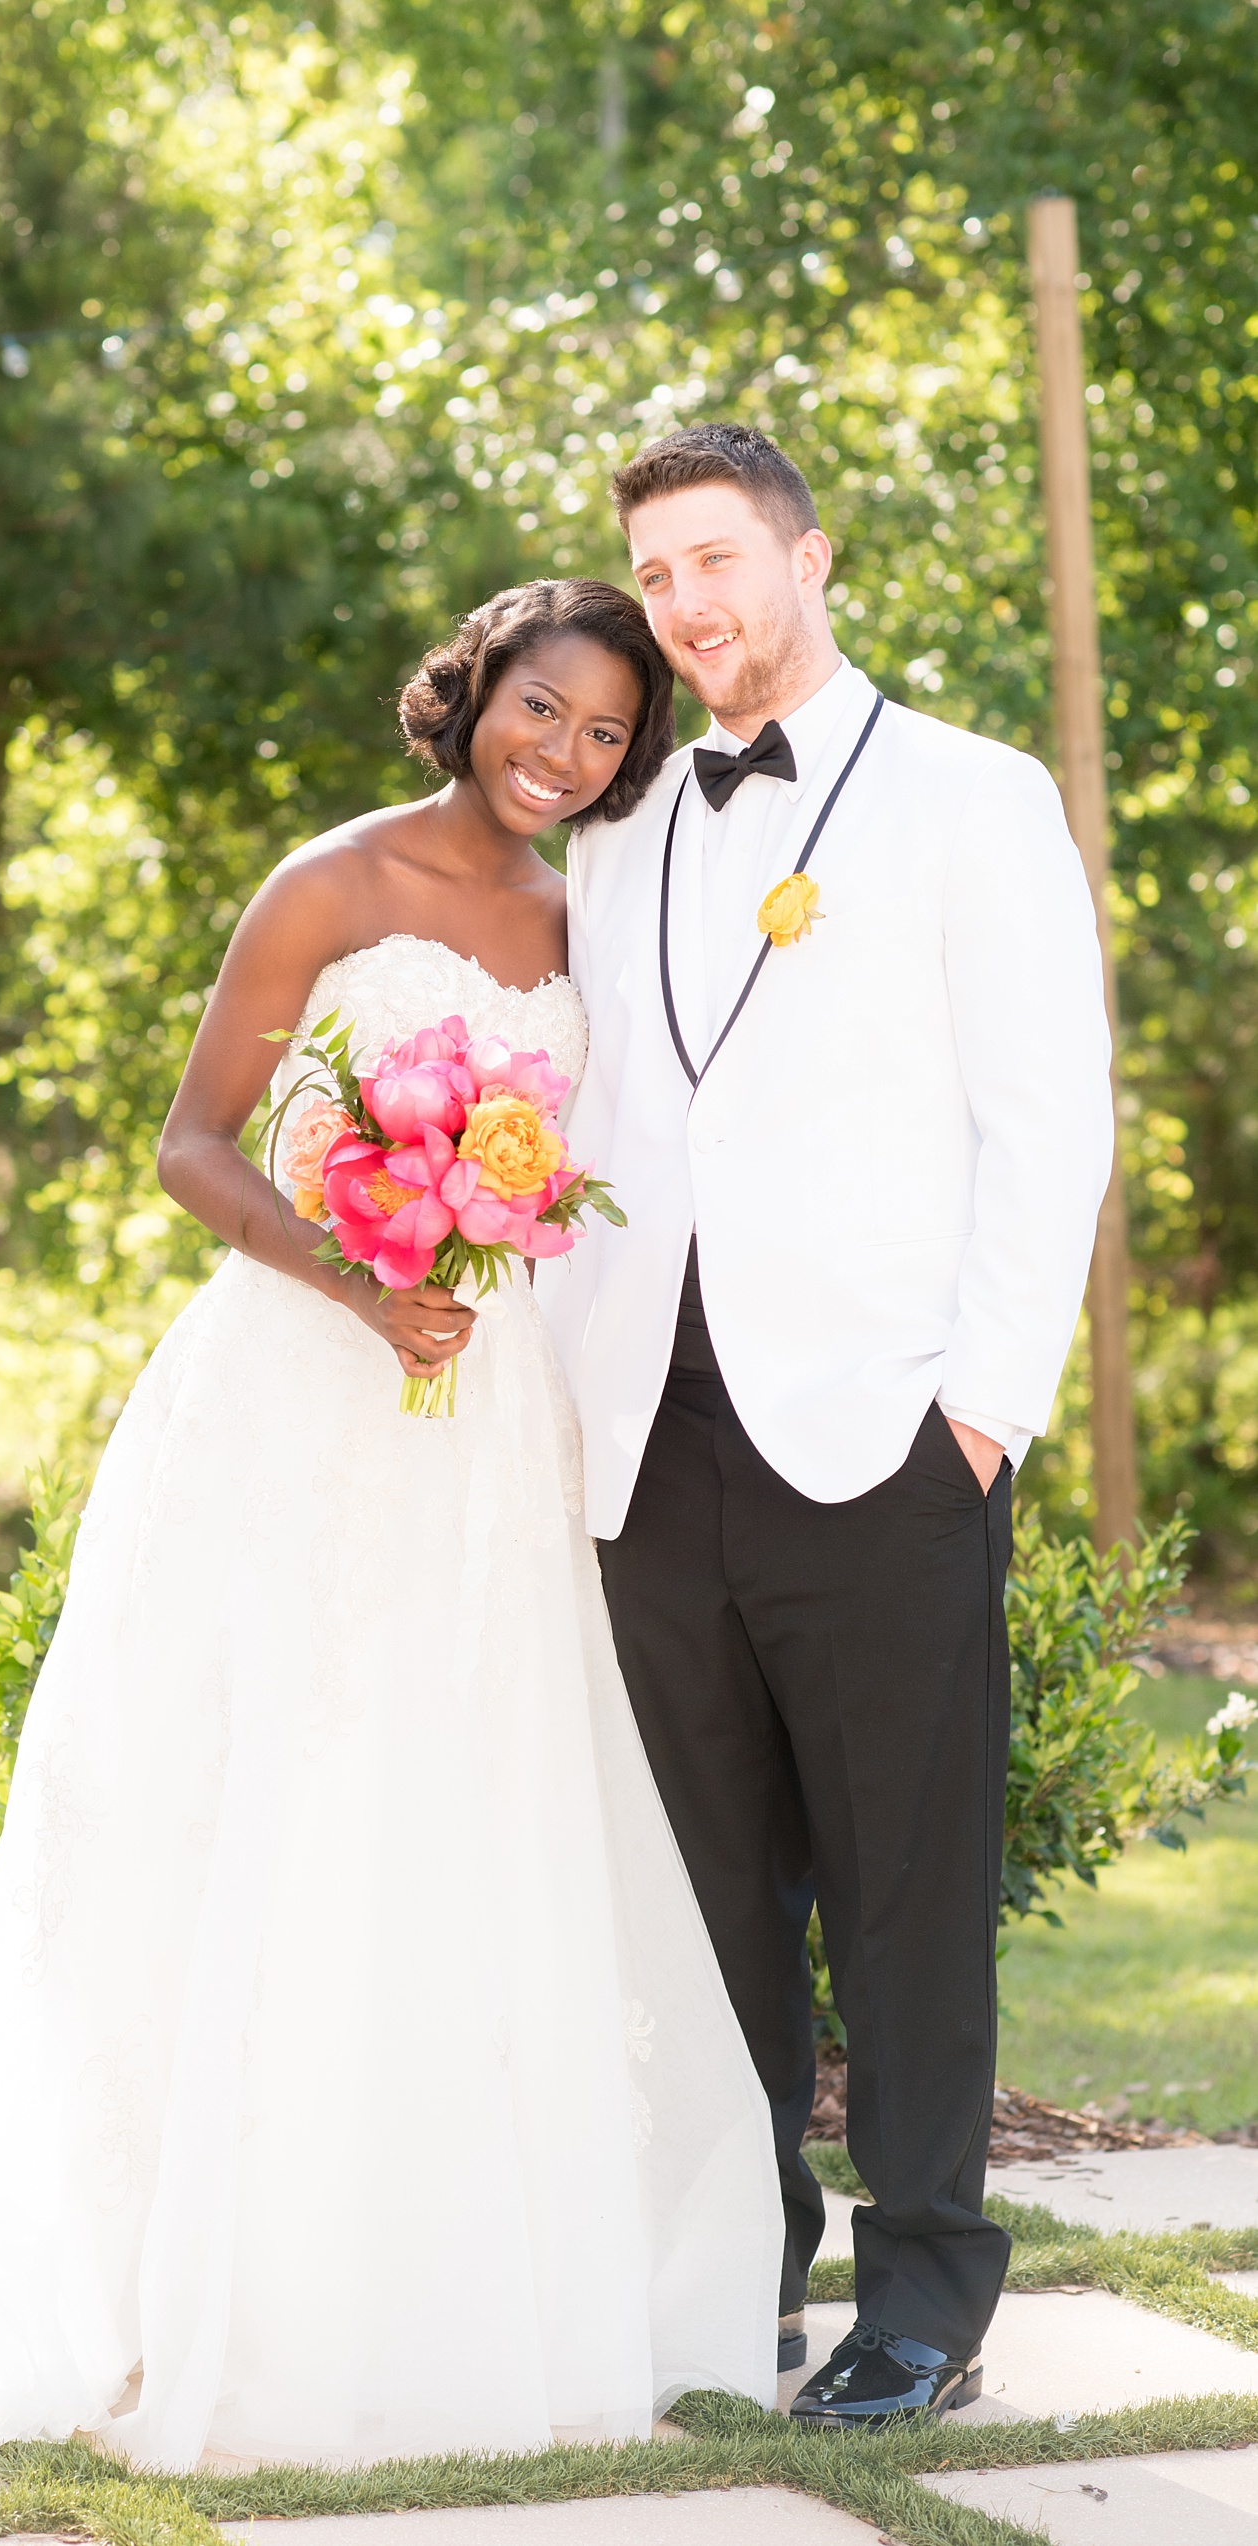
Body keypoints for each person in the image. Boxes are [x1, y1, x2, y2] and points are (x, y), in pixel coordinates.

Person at [0, 578, 781, 2497]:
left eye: (610, 732)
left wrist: (483, 1261)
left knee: (461, 1804)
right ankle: (190, 2275)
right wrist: (365, 1269)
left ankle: (436, 2277)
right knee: (256, 1799)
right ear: (472, 695)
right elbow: (192, 1141)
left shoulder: (587, 916)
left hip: (486, 1417)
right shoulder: (331, 881)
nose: (567, 753)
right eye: (540, 708)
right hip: (303, 1391)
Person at [539, 425, 1113, 2430]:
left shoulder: (972, 797)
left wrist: (981, 1412)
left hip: (885, 1440)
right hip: (647, 1444)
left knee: (902, 1896)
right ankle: (742, 2265)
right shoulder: (614, 828)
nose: (688, 606)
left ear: (807, 556)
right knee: (703, 1905)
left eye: (717, 560)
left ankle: (928, 2295)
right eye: (657, 574)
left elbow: (1051, 1126)